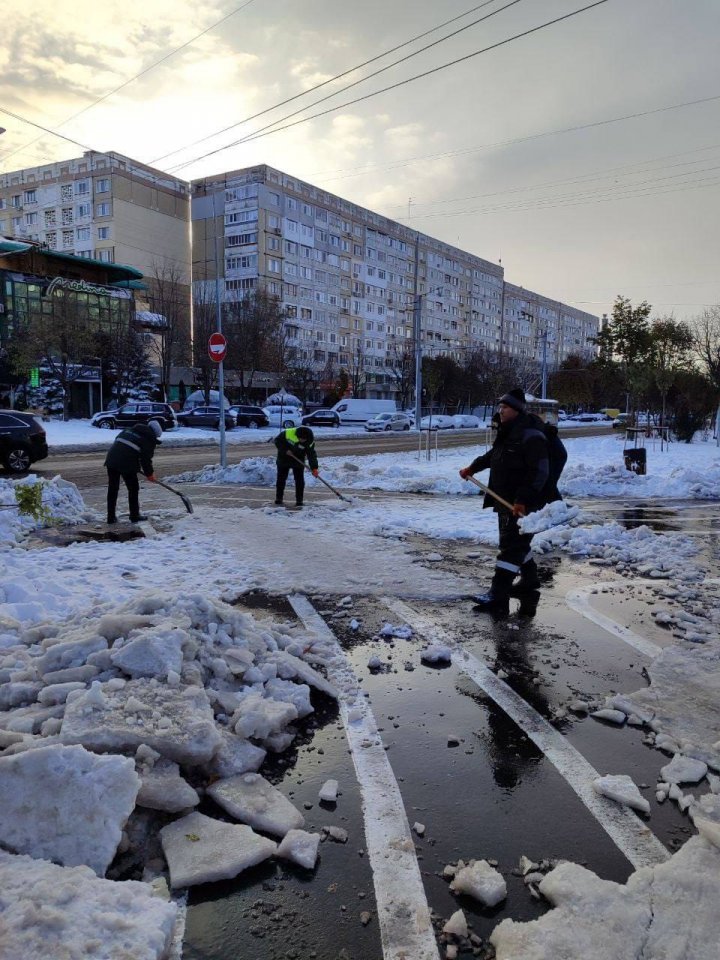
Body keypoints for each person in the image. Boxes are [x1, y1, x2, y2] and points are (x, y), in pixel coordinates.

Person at [459, 389, 550, 616]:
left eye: (505, 407)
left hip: (521, 504)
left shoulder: (531, 436)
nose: (501, 410)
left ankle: (498, 594)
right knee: (516, 544)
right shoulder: (509, 432)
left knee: (510, 548)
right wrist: (473, 467)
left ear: (517, 410)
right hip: (505, 500)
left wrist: (523, 500)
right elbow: (495, 455)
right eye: (500, 406)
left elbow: (539, 472)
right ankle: (529, 580)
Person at [104, 421, 161, 524]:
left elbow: (123, 447)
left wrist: (135, 462)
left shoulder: (128, 430)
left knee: (113, 489)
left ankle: (110, 517)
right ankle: (134, 516)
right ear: (154, 434)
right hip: (126, 463)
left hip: (111, 460)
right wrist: (149, 474)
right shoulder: (148, 439)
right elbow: (145, 460)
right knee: (133, 488)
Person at [274, 426, 319, 508]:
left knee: (299, 480)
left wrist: (314, 468)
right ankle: (279, 498)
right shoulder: (288, 433)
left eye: (303, 439)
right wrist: (285, 450)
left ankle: (299, 501)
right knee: (281, 479)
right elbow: (277, 441)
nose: (301, 440)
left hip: (298, 460)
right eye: (300, 438)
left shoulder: (310, 442)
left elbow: (311, 455)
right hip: (284, 458)